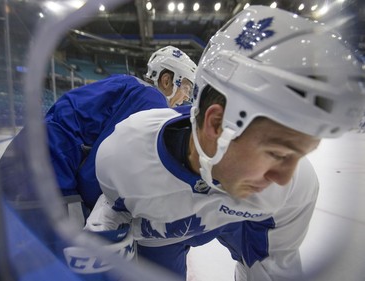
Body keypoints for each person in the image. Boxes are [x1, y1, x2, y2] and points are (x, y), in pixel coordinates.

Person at [82, 5, 365, 281]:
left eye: (301, 154)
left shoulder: (296, 187)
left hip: (218, 218)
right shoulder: (124, 154)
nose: (284, 177)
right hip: (179, 223)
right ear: (216, 124)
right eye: (278, 153)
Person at [0, 45, 197, 209]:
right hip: (50, 166)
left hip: (31, 153)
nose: (187, 96)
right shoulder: (152, 99)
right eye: (186, 86)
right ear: (166, 79)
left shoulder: (130, 85)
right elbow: (96, 172)